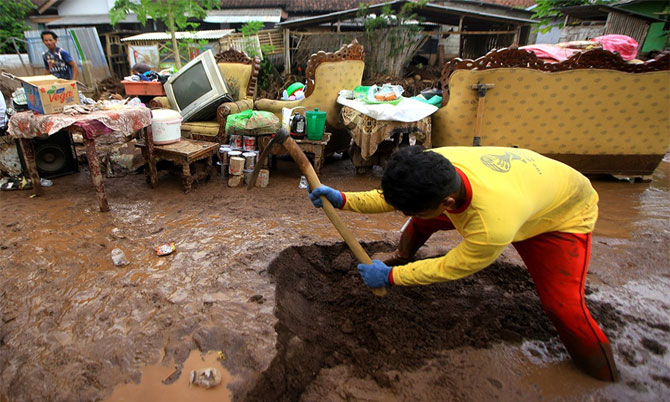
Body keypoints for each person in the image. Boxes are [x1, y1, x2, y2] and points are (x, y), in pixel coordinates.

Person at [309, 145, 619, 382]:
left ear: (448, 205)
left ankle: (604, 376)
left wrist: (391, 278)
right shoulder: (435, 168)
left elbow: (451, 266)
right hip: (524, 187)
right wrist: (343, 199)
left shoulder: (489, 226)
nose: (401, 213)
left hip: (560, 212)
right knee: (421, 218)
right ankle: (403, 253)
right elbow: (392, 196)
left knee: (563, 307)